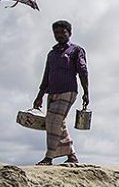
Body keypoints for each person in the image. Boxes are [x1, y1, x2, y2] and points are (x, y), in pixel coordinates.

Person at [33, 20, 88, 165]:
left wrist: (86, 92)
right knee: (58, 123)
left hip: (68, 91)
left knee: (53, 120)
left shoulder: (76, 50)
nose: (59, 35)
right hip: (52, 92)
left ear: (69, 33)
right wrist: (39, 96)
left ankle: (49, 157)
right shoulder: (51, 54)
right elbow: (46, 75)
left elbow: (83, 71)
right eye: (56, 33)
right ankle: (72, 156)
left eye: (63, 32)